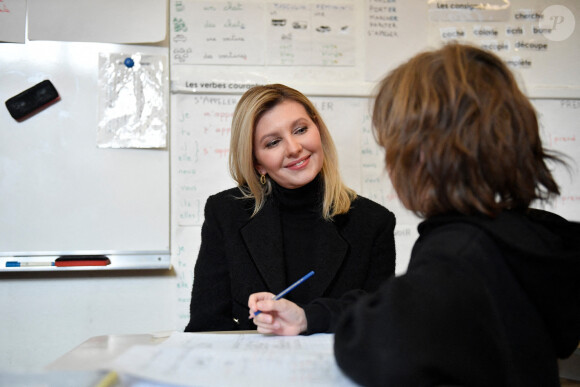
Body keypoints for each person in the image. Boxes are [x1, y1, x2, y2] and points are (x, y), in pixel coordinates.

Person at [248, 44, 580, 386]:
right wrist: (309, 317)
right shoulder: (527, 240)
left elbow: (375, 348)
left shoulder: (457, 256)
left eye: (392, 146)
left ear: (420, 158)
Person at [185, 83, 396, 332]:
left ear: (317, 129)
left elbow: (380, 318)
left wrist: (310, 317)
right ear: (257, 163)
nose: (294, 148)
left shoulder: (373, 222)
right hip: (252, 368)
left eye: (301, 129)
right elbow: (205, 325)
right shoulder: (225, 213)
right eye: (273, 143)